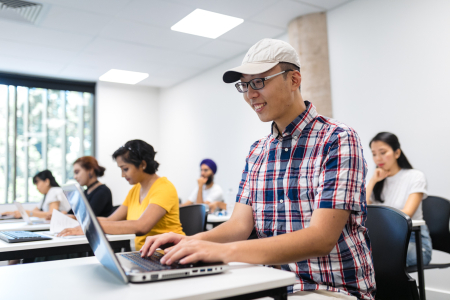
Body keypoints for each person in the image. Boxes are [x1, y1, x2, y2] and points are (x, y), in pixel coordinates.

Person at [140, 39, 375, 300]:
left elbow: (321, 238)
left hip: (330, 288)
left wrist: (224, 252)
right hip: (268, 281)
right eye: (245, 85)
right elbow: (239, 226)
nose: (250, 94)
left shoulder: (338, 139)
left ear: (294, 79)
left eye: (259, 82)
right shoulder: (258, 151)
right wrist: (191, 241)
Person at [58, 140, 185, 251]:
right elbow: (110, 220)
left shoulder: (164, 188)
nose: (122, 175)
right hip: (144, 254)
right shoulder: (135, 190)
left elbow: (142, 226)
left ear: (143, 164)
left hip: (168, 253)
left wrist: (90, 226)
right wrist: (81, 220)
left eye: (125, 169)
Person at [366, 132, 432, 267]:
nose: (378, 158)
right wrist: (372, 181)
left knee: (373, 259)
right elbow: (361, 209)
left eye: (383, 152)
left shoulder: (415, 176)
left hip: (414, 242)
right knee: (358, 255)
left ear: (397, 153)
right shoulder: (378, 182)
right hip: (385, 241)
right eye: (374, 154)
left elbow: (406, 214)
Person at [5, 170, 70, 219]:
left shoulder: (54, 191)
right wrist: (12, 213)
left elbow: (52, 214)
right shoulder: (46, 196)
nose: (37, 187)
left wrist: (29, 213)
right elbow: (34, 211)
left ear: (47, 181)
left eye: (37, 183)